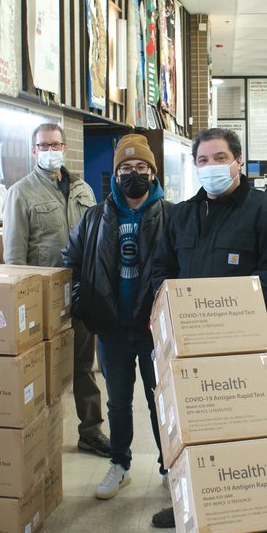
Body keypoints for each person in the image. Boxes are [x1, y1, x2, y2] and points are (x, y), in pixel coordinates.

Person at [149, 127, 267, 528]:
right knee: (192, 434)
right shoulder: (181, 215)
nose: (211, 166)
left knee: (240, 434)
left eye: (219, 158)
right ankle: (192, 506)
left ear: (237, 161)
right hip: (188, 354)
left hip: (242, 353)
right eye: (202, 160)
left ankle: (244, 506)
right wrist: (177, 307)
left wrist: (223, 308)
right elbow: (160, 273)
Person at [62, 134, 172, 499]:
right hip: (111, 329)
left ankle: (170, 466)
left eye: (141, 168)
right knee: (118, 402)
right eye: (125, 168)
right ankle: (120, 463)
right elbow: (71, 261)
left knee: (162, 400)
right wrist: (83, 302)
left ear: (153, 173)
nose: (133, 174)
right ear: (115, 174)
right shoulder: (94, 218)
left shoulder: (172, 215)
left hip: (155, 330)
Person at [3, 122, 110, 457]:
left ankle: (90, 431)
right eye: (43, 146)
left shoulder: (83, 190)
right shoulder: (21, 192)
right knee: (42, 370)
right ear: (34, 150)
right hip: (42, 301)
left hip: (80, 292)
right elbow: (14, 256)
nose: (51, 151)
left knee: (83, 366)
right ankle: (38, 438)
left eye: (56, 145)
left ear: (65, 148)